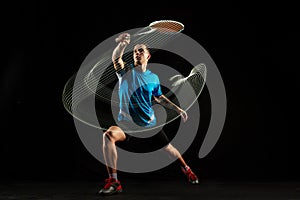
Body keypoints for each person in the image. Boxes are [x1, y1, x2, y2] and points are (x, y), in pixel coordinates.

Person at [98, 33, 199, 195]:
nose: (137, 53)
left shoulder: (154, 77)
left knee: (170, 151)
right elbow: (116, 59)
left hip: (148, 125)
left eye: (140, 51)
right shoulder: (125, 72)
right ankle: (115, 181)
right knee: (108, 135)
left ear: (148, 56)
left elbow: (159, 97)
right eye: (135, 51)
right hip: (127, 125)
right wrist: (123, 44)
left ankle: (187, 169)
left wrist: (178, 109)